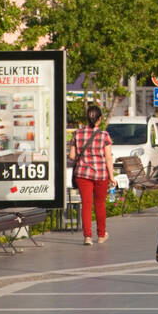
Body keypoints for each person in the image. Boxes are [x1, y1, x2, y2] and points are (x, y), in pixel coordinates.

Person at [68, 105, 115, 246]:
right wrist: (112, 177)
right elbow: (108, 158)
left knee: (86, 205)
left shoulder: (77, 134)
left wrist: (83, 158)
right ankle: (101, 235)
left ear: (87, 118)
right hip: (100, 175)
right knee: (100, 204)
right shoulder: (104, 135)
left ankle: (87, 237)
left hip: (82, 174)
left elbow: (71, 156)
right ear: (100, 119)